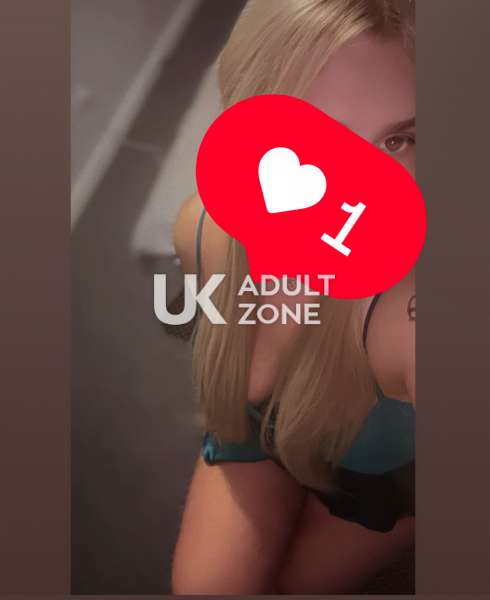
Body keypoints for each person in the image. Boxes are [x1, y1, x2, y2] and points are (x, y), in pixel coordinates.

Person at [171, 0, 416, 593]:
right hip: (260, 438)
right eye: (312, 135)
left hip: (382, 488)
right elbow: (237, 378)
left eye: (398, 141)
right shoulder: (201, 228)